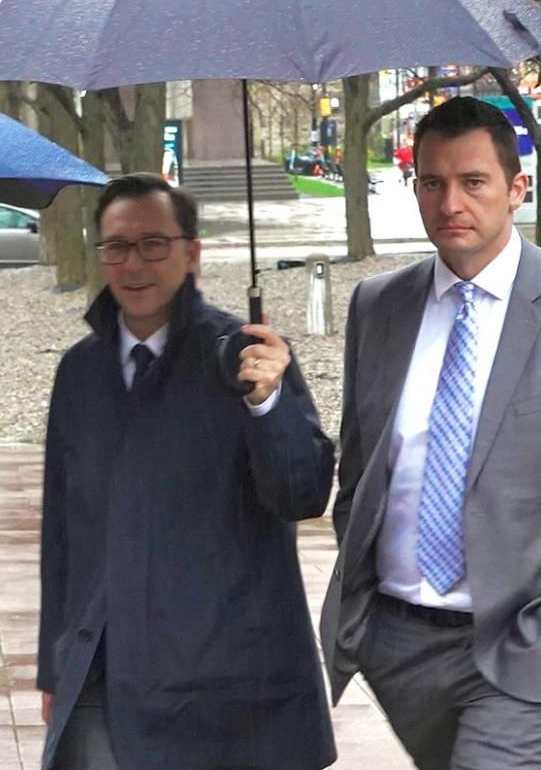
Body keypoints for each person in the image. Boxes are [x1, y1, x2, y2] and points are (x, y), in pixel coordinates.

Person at [320, 97, 541, 770]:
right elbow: (361, 470)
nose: (450, 201)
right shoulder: (378, 306)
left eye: (473, 182)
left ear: (516, 189)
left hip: (529, 640)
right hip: (400, 648)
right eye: (431, 182)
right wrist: (368, 623)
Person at [38, 173, 336, 770]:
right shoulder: (81, 372)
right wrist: (53, 664)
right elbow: (62, 530)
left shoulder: (244, 357)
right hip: (108, 659)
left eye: (154, 244)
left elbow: (301, 493)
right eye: (116, 247)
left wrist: (266, 405)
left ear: (191, 252)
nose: (134, 263)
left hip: (225, 673)